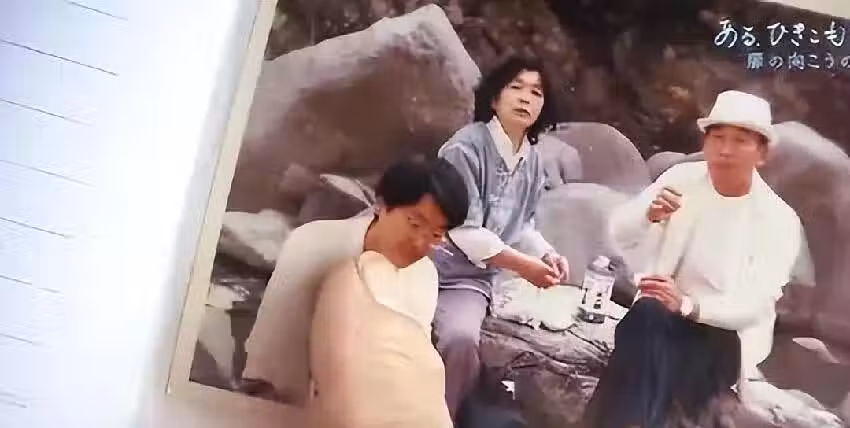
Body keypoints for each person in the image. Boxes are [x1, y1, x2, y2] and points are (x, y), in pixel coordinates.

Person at [583, 90, 803, 428]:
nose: (725, 149)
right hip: (659, 319)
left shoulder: (778, 219)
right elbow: (618, 233)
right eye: (717, 137)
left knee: (644, 357)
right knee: (646, 316)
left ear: (762, 153)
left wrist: (689, 306)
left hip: (721, 337)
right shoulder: (681, 179)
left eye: (740, 141)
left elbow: (755, 306)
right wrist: (648, 214)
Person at [241, 156, 469, 406]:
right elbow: (272, 350)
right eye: (414, 224)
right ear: (381, 205)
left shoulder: (425, 276)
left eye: (436, 235)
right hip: (290, 402)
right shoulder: (314, 243)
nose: (420, 243)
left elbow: (411, 363)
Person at [430, 55, 571, 422]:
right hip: (426, 260)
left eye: (536, 92)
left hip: (467, 280)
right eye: (516, 87)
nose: (526, 98)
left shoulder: (533, 161)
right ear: (494, 98)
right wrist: (524, 267)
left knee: (461, 339)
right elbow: (462, 228)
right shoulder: (465, 148)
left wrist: (546, 254)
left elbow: (522, 224)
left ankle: (442, 419)